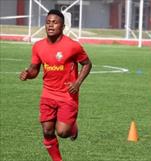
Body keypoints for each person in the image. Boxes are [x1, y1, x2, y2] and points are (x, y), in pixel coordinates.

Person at [19, 9, 92, 161]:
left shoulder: (73, 46)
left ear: (63, 26)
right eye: (48, 22)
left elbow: (87, 64)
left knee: (63, 132)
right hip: (48, 93)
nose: (50, 25)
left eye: (55, 22)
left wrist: (77, 83)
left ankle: (72, 128)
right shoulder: (38, 46)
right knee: (47, 130)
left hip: (67, 94)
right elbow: (34, 70)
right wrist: (28, 74)